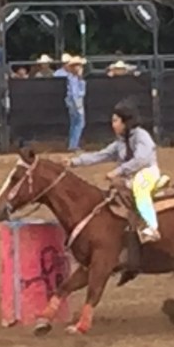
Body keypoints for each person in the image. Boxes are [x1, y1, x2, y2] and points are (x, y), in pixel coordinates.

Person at [62, 100, 162, 243]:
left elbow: (141, 160)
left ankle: (152, 227)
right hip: (130, 177)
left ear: (125, 122)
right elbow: (100, 155)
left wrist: (118, 171)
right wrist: (74, 161)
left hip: (147, 172)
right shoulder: (120, 142)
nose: (112, 124)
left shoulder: (142, 136)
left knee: (140, 189)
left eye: (115, 121)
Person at [54, 54, 86, 151]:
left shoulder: (73, 77)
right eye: (78, 65)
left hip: (72, 100)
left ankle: (72, 144)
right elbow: (77, 92)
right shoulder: (74, 78)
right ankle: (73, 145)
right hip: (75, 101)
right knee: (79, 122)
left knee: (74, 122)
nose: (80, 67)